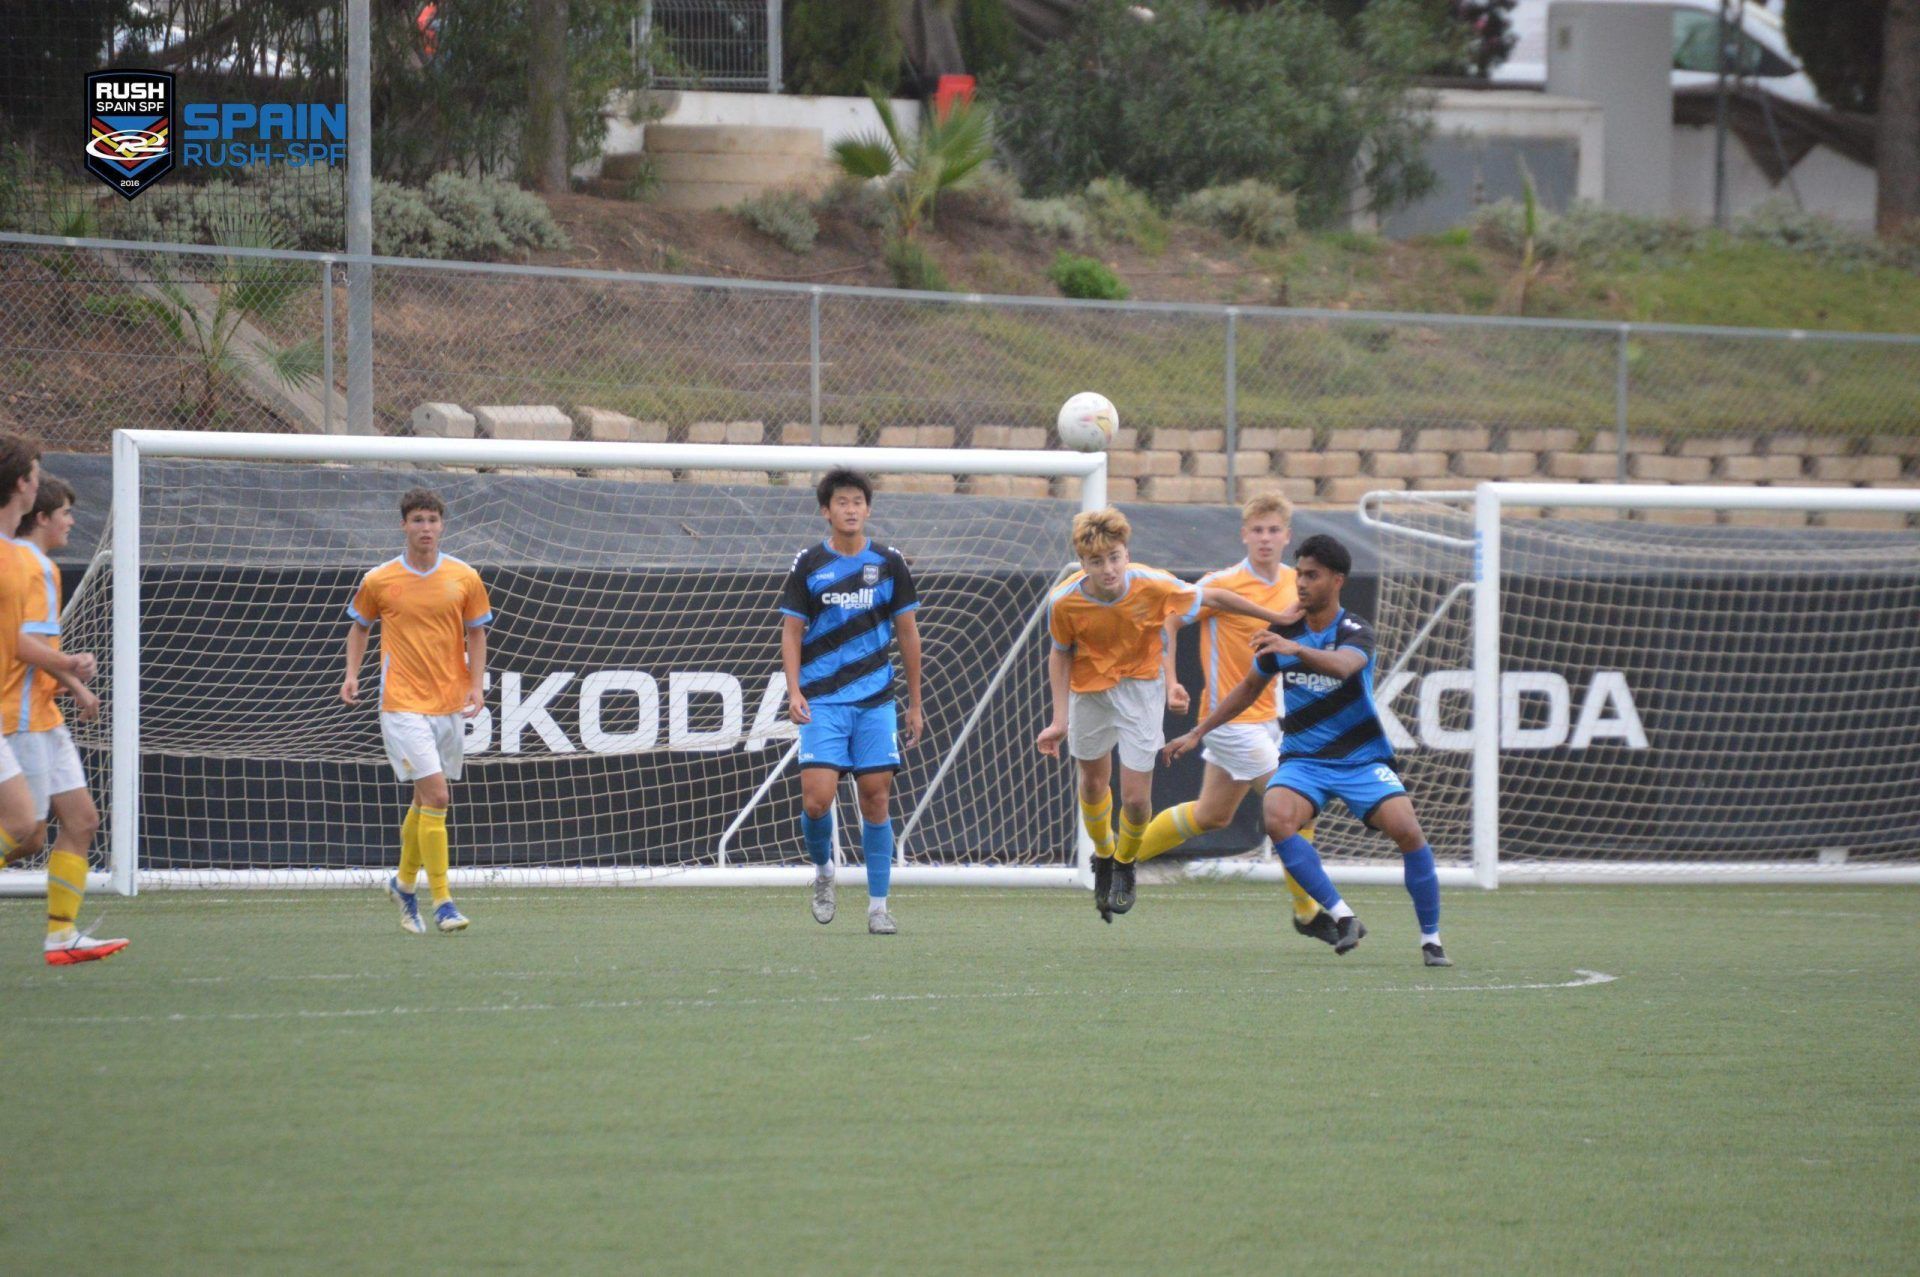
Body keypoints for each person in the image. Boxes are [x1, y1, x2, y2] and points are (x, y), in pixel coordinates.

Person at [1167, 534, 1451, 966]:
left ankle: (1431, 940)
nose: (1301, 583)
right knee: (1278, 818)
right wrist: (1198, 731)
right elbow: (1246, 690)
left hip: (1360, 758)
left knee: (1407, 830)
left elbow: (1343, 666)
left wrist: (1294, 649)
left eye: (1312, 575)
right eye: (1298, 573)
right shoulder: (1283, 633)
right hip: (1304, 761)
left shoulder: (1353, 631)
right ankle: (1341, 916)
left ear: (1337, 580)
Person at [1036, 507, 1299, 922]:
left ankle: (1124, 863)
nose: (1109, 569)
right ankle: (1104, 856)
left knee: (1138, 801)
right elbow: (1060, 653)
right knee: (1092, 783)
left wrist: (1277, 617)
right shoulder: (1064, 601)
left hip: (1141, 690)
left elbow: (1212, 597)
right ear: (1082, 563)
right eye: (1097, 561)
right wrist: (1058, 719)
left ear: (1127, 553)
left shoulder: (1151, 583)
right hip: (1090, 693)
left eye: (1116, 557)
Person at [1139, 492, 1335, 945]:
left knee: (1212, 815)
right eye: (1257, 530)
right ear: (1244, 535)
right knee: (1296, 803)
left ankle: (1115, 860)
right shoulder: (1223, 583)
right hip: (1227, 719)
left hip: (1270, 718)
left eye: (1273, 530)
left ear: (1287, 537)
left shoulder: (1296, 584)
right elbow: (1167, 621)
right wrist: (1171, 681)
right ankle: (1308, 912)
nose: (1265, 538)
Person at [342, 487, 491, 935]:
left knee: (424, 799)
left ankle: (404, 883)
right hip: (402, 703)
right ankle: (443, 901)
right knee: (440, 797)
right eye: (417, 520)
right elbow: (359, 627)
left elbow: (478, 635)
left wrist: (475, 685)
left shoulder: (464, 577)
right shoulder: (380, 579)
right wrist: (352, 674)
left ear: (442, 526)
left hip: (447, 703)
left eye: (432, 520)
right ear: (403, 525)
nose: (426, 528)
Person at [780, 468, 922, 936]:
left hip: (876, 699)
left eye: (858, 501)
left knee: (876, 798)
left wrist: (915, 703)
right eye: (841, 502)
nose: (850, 509)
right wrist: (795, 689)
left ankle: (878, 906)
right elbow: (792, 631)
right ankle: (824, 873)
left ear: (868, 508)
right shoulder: (809, 564)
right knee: (817, 801)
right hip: (823, 699)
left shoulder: (888, 562)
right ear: (826, 510)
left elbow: (907, 634)